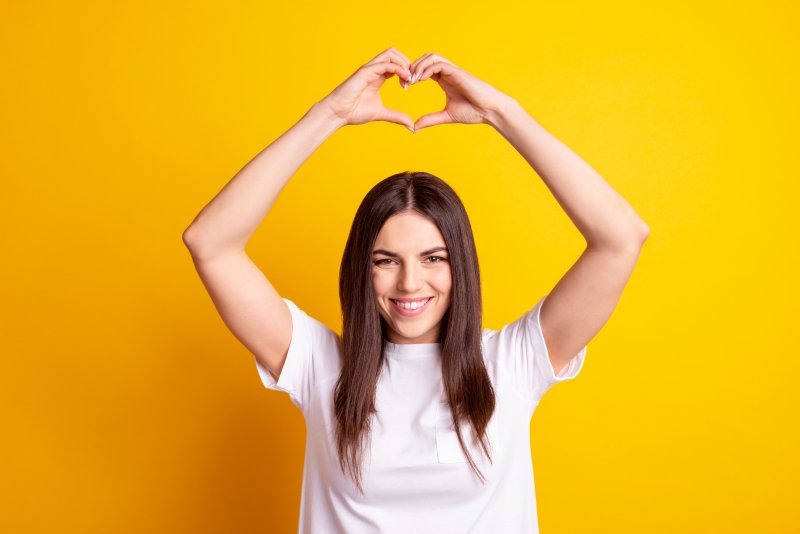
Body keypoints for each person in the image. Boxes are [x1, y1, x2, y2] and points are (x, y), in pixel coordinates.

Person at [183, 47, 648, 534]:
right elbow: (210, 243)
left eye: (433, 258)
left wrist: (500, 113)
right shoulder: (320, 367)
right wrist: (330, 114)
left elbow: (620, 238)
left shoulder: (512, 364)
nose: (410, 282)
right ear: (361, 270)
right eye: (386, 261)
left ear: (460, 266)